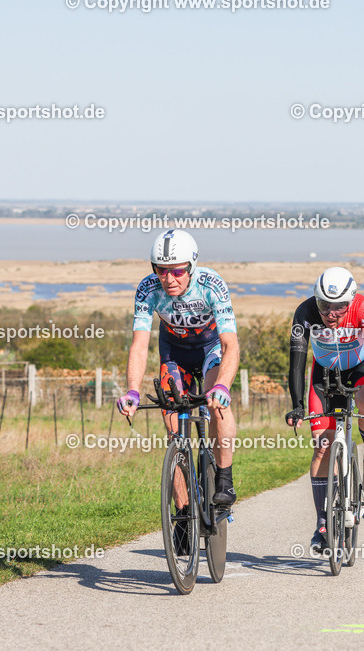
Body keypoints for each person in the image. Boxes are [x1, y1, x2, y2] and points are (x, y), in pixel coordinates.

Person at [117, 229, 239, 555]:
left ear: (192, 266)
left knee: (217, 404)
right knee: (175, 437)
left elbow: (230, 345)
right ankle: (184, 515)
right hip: (174, 355)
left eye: (177, 270)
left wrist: (223, 386)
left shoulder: (212, 285)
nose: (169, 278)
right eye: (161, 269)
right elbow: (139, 344)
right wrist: (132, 390)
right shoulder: (148, 289)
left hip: (210, 350)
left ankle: (224, 479)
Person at [285, 267, 364, 556]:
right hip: (324, 374)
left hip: (359, 367)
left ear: (351, 300)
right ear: (316, 300)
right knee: (322, 447)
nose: (331, 314)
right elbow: (297, 362)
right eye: (324, 306)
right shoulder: (305, 312)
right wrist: (297, 405)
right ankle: (321, 522)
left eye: (339, 307)